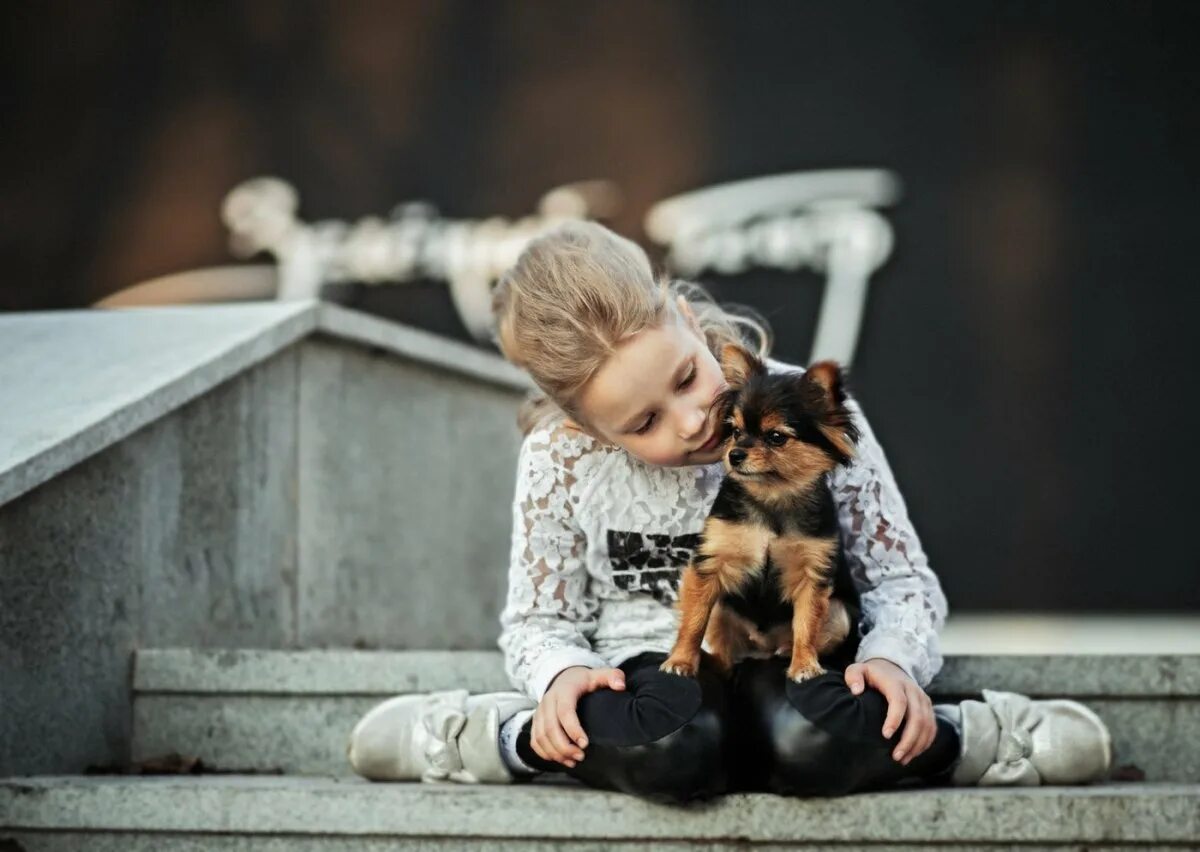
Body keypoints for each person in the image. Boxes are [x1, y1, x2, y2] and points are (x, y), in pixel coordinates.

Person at [347, 221, 1111, 804]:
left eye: (686, 377)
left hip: (799, 655)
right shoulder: (560, 458)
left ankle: (970, 738)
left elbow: (900, 582)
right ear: (586, 428)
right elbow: (538, 621)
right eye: (641, 425)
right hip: (652, 680)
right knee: (676, 751)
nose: (687, 423)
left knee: (809, 743)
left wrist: (891, 662)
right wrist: (561, 678)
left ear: (686, 317)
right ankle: (487, 738)